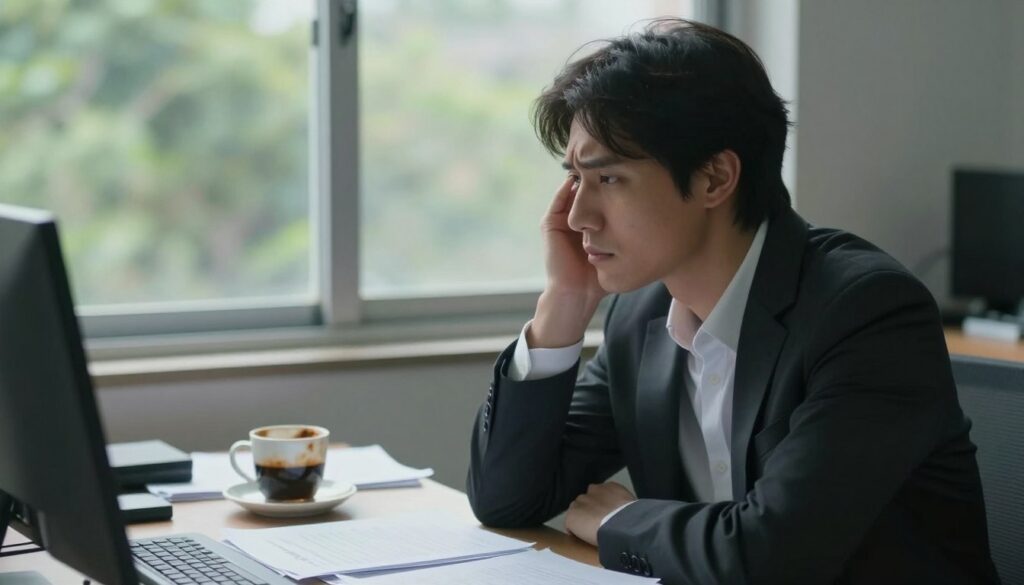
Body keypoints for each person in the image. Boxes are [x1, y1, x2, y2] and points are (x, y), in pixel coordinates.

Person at [466, 18, 999, 585]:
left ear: (714, 178)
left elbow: (773, 558)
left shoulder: (868, 313)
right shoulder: (640, 316)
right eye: (575, 178)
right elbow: (506, 499)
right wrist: (565, 303)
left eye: (610, 179)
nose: (577, 217)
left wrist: (621, 521)